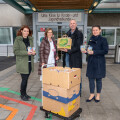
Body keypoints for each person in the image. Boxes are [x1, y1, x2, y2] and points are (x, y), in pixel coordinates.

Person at [82, 25, 108, 102]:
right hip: (91, 62)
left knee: (99, 79)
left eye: (96, 30)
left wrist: (94, 52)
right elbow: (89, 50)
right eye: (93, 30)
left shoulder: (103, 39)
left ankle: (98, 95)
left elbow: (105, 51)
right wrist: (86, 52)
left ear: (100, 30)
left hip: (99, 62)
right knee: (90, 79)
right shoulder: (90, 39)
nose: (95, 31)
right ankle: (91, 94)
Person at [13, 25, 36, 101]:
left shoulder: (30, 39)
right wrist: (27, 53)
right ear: (21, 31)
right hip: (23, 63)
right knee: (24, 79)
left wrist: (33, 53)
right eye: (25, 31)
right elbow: (16, 51)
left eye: (27, 31)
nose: (26, 32)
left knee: (26, 79)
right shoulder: (18, 40)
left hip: (29, 62)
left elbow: (31, 50)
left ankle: (24, 93)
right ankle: (22, 94)